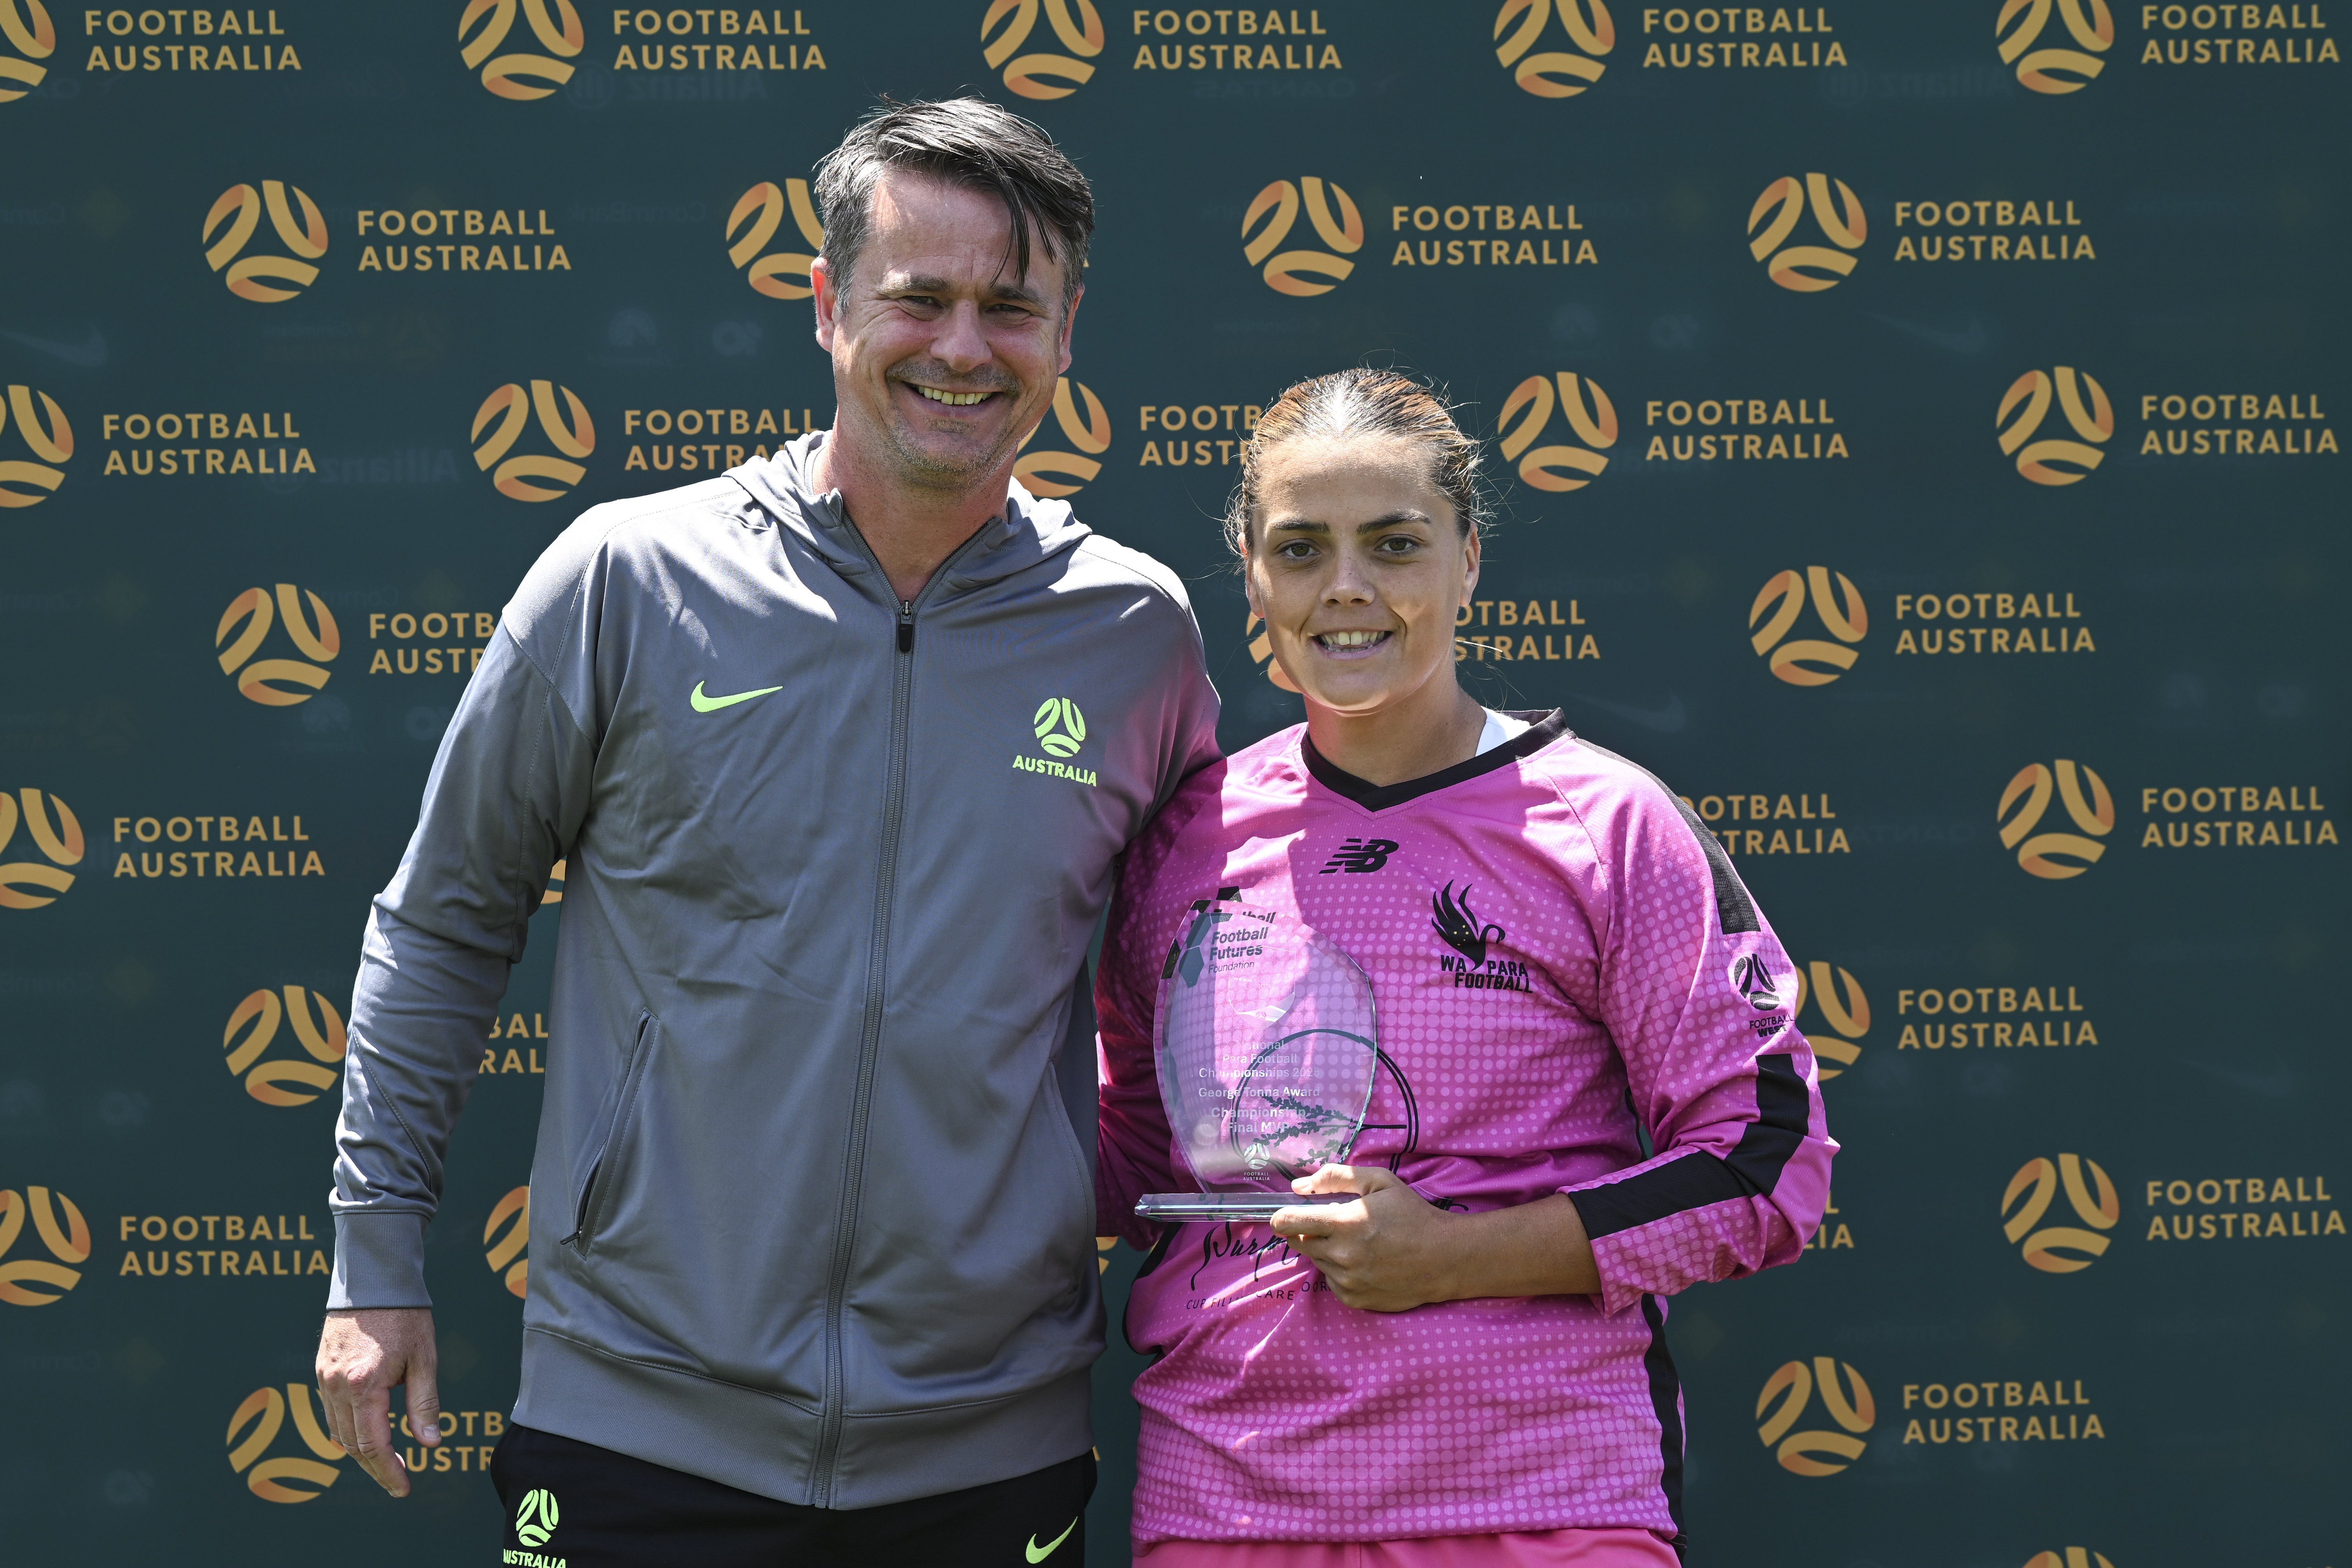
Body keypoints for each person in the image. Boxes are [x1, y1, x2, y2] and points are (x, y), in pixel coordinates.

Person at [315, 97, 1220, 1566]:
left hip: (993, 1436)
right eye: (918, 299)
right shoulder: (626, 576)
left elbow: (1201, 983)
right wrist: (373, 1262)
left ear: (1068, 333)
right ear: (827, 306)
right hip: (637, 1418)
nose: (963, 346)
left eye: (1012, 307)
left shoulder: (1136, 632)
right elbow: (445, 920)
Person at [1095, 369, 1836, 1564]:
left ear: (1469, 558)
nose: (1348, 589)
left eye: (1395, 545)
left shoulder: (1609, 826)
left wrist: (1452, 1259)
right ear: (1251, 571)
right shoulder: (1184, 841)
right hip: (1223, 1508)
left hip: (1537, 1503)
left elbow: (1766, 1162)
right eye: (1302, 549)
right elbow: (1131, 1153)